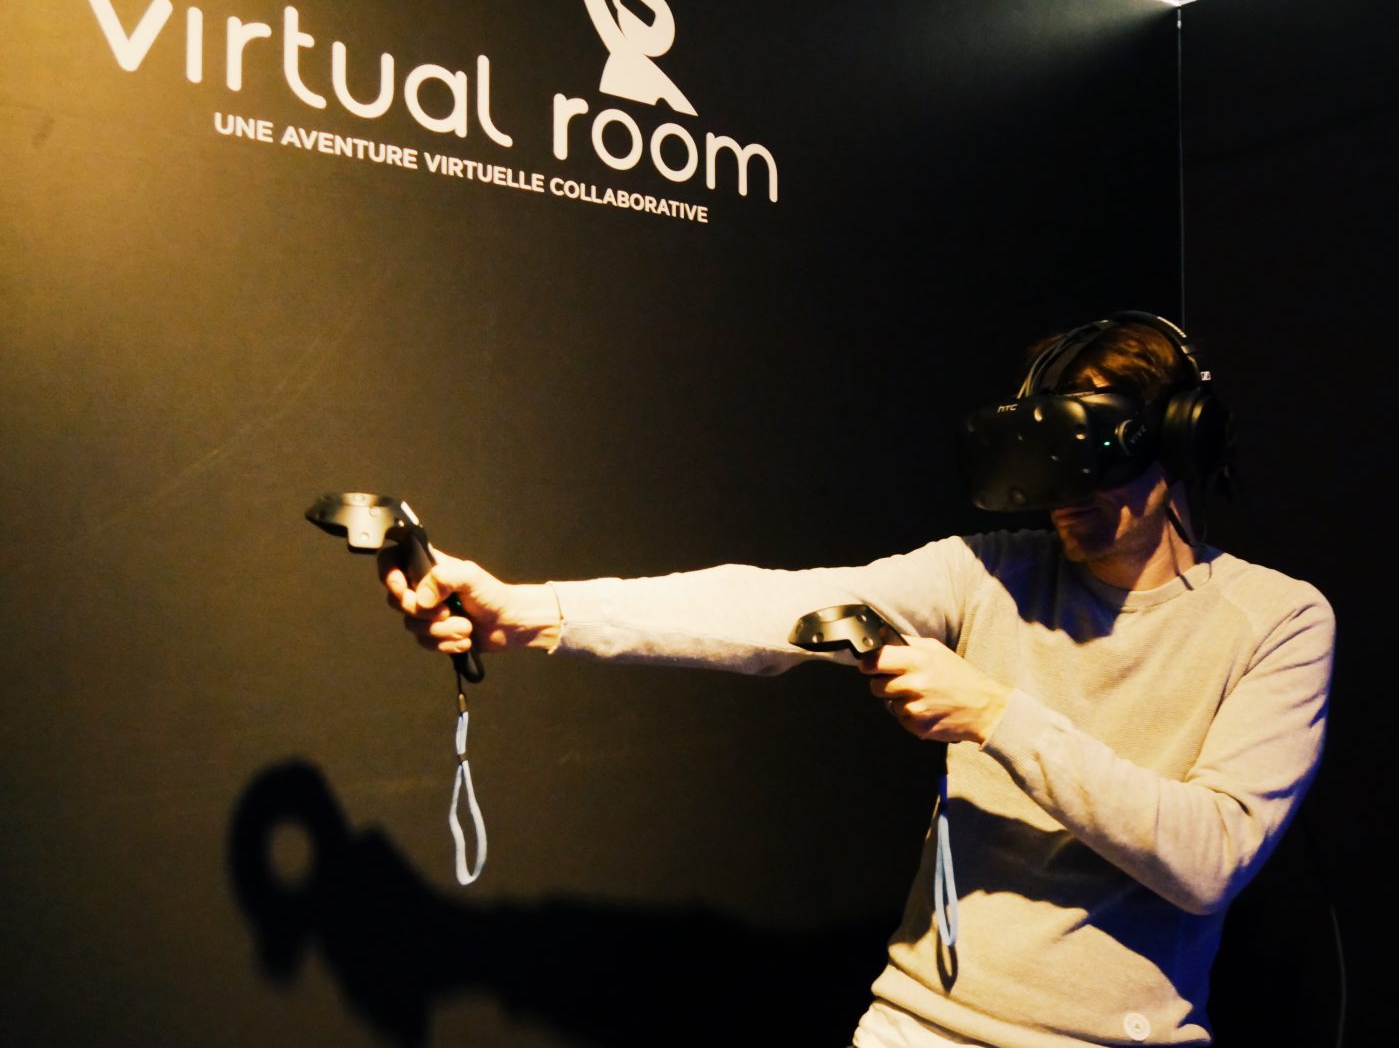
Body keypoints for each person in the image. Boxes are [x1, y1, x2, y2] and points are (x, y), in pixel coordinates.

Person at [382, 313, 1335, 1047]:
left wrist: (994, 714)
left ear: (1183, 441)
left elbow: (1209, 857)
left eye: (1098, 456)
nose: (1066, 495)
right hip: (918, 1027)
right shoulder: (991, 572)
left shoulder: (1280, 621)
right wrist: (535, 613)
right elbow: (773, 608)